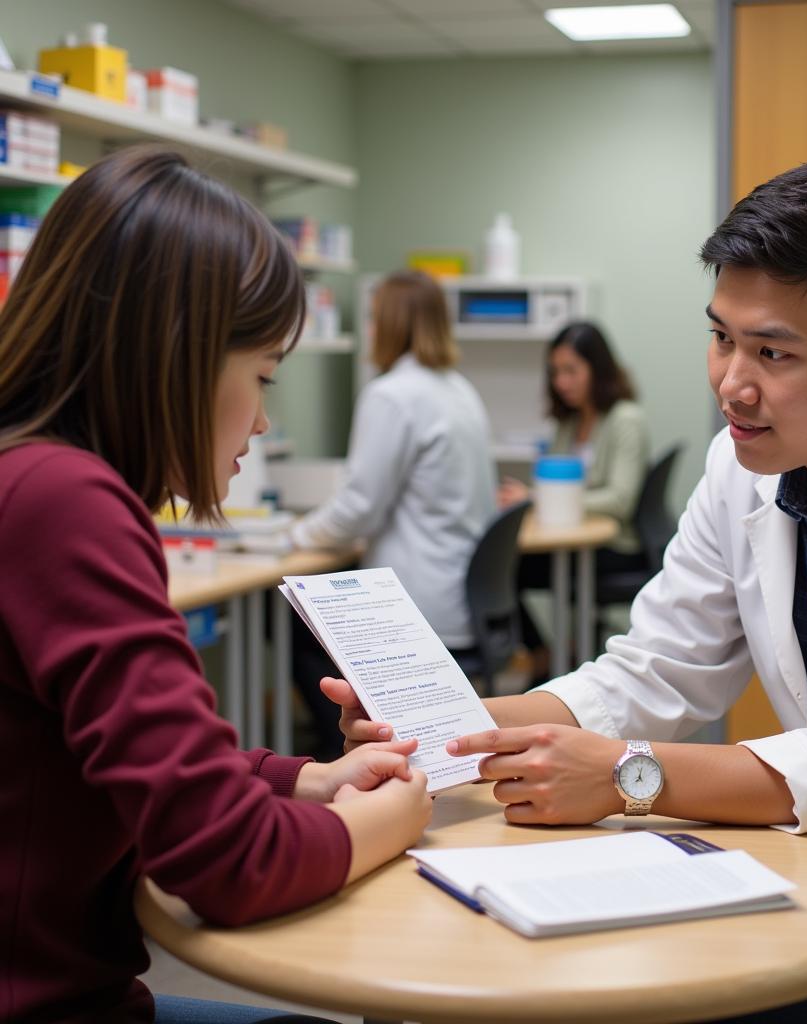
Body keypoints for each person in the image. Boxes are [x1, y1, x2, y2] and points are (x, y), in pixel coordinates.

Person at [335, 158, 807, 1023]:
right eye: (722, 336)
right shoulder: (746, 462)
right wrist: (461, 725)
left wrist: (633, 779)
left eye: (772, 351)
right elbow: (655, 670)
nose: (732, 382)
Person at [0, 146, 432, 1024]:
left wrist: (304, 779)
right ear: (177, 356)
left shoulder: (26, 475)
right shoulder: (66, 501)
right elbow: (235, 865)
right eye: (263, 376)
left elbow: (127, 762)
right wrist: (397, 818)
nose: (265, 419)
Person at [289, 269, 496, 757]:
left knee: (292, 636)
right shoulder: (459, 389)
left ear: (389, 323)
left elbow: (358, 508)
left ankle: (334, 761)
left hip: (416, 603)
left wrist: (294, 534)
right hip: (461, 594)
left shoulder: (391, 394)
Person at [499, 321, 651, 678]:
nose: (561, 382)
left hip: (615, 546)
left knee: (513, 569)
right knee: (504, 567)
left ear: (597, 370)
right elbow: (554, 479)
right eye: (555, 372)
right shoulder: (569, 423)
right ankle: (545, 653)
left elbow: (619, 500)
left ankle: (555, 659)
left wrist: (538, 498)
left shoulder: (626, 419)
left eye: (571, 371)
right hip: (573, 541)